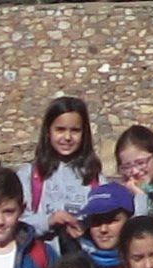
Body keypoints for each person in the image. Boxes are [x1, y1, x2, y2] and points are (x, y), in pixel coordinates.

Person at [24, 96, 99, 236]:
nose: (68, 137)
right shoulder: (29, 176)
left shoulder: (94, 177)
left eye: (75, 130)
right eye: (60, 129)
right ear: (48, 131)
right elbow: (17, 221)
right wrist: (49, 221)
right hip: (45, 252)